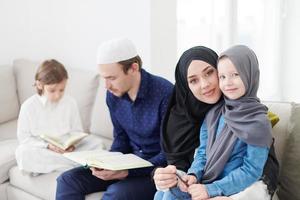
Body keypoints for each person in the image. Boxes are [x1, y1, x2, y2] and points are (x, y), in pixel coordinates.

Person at [153, 46, 279, 199]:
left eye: (210, 72)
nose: (205, 84)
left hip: (231, 189)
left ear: (249, 75)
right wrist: (193, 174)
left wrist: (213, 189)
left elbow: (253, 170)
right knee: (164, 194)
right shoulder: (213, 114)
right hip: (205, 182)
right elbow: (202, 153)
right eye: (223, 77)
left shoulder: (257, 120)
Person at [55, 38, 174, 200]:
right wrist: (106, 163)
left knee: (117, 193)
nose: (106, 86)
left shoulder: (165, 93)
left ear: (133, 68)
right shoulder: (113, 96)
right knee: (67, 180)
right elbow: (121, 138)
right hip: (128, 163)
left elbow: (170, 154)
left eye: (111, 78)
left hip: (155, 171)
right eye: (104, 78)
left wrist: (127, 172)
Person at [16, 59, 103, 174]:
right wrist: (47, 146)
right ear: (39, 85)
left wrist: (73, 144)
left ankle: (65, 165)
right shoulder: (28, 107)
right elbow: (24, 139)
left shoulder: (70, 102)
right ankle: (78, 164)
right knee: (23, 153)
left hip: (69, 149)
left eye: (61, 90)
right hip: (45, 150)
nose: (58, 95)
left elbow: (77, 131)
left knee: (97, 142)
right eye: (52, 90)